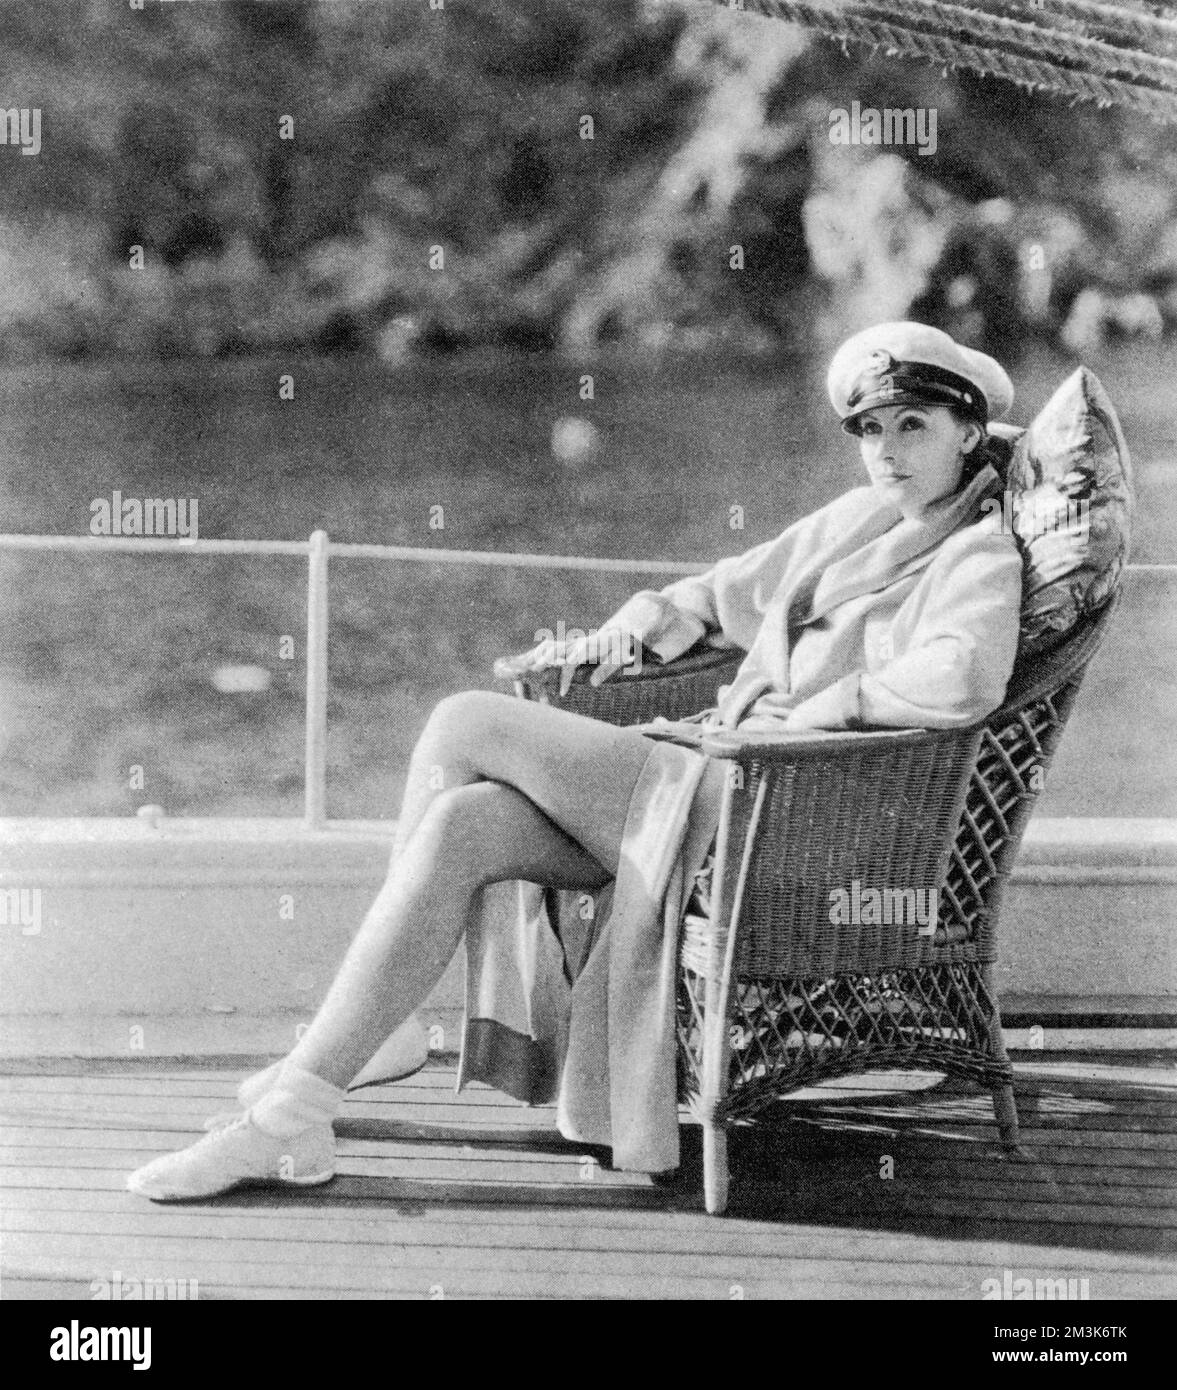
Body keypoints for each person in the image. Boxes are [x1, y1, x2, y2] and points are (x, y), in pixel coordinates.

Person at [127, 321, 1023, 1201]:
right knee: (462, 826)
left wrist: (827, 706)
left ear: (968, 431)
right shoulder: (863, 519)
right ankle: (301, 1112)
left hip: (780, 812)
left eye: (914, 425)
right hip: (718, 784)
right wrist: (642, 621)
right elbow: (726, 592)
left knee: (465, 720)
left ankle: (368, 1049)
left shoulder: (977, 553)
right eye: (871, 429)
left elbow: (962, 678)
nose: (888, 450)